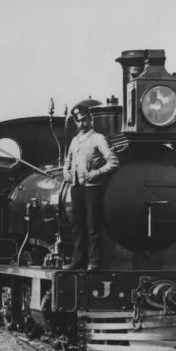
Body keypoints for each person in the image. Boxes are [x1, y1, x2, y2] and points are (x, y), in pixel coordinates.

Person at [62, 103, 119, 271]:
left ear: (91, 119)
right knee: (77, 226)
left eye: (85, 120)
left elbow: (113, 161)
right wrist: (66, 172)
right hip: (76, 187)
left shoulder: (98, 138)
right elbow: (67, 162)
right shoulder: (75, 140)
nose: (82, 124)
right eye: (79, 121)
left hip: (92, 188)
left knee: (92, 225)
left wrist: (97, 172)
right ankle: (78, 260)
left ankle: (94, 261)